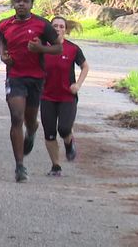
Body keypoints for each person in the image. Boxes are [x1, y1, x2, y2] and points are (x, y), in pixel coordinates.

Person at [0, 0, 62, 182]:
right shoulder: (4, 24)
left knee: (30, 120)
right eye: (18, 1)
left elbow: (58, 47)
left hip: (36, 78)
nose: (21, 4)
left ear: (32, 4)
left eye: (25, 1)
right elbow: (3, 42)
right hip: (15, 77)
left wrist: (40, 48)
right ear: (13, 4)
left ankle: (32, 132)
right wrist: (3, 56)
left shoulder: (42, 25)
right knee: (16, 118)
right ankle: (19, 166)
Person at [41, 16, 89, 176]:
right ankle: (55, 166)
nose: (58, 29)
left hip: (67, 97)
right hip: (47, 96)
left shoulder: (72, 49)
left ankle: (69, 144)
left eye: (61, 26)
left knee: (64, 128)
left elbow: (85, 66)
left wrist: (78, 85)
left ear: (65, 29)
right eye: (54, 26)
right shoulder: (43, 47)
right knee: (49, 133)